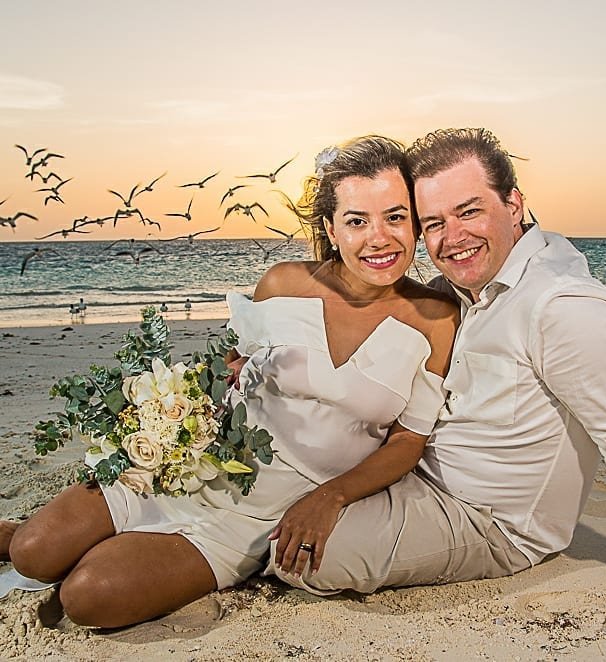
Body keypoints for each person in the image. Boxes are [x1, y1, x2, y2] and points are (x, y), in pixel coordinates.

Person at [0, 136, 458, 627]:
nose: (379, 238)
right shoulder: (283, 283)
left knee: (88, 597)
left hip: (257, 518)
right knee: (33, 552)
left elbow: (408, 440)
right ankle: (19, 533)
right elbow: (230, 366)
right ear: (330, 227)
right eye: (356, 220)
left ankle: (105, 548)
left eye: (395, 216)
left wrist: (330, 497)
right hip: (187, 467)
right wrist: (166, 420)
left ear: (416, 221)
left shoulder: (434, 318)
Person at [405, 128, 606, 570]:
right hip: (419, 487)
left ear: (514, 204)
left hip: (491, 527)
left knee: (304, 550)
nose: (453, 236)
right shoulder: (459, 290)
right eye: (434, 223)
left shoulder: (562, 307)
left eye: (469, 212)